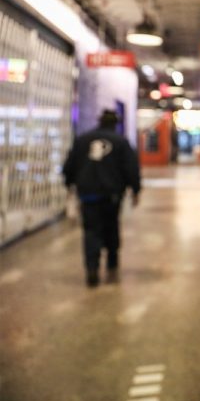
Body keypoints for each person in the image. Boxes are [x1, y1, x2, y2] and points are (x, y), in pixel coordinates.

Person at [63, 110, 141, 287]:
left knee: (91, 231)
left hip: (88, 195)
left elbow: (69, 166)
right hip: (112, 195)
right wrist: (135, 190)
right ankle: (112, 264)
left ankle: (92, 268)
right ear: (116, 124)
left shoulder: (82, 140)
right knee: (112, 227)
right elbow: (131, 168)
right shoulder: (121, 142)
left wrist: (70, 185)